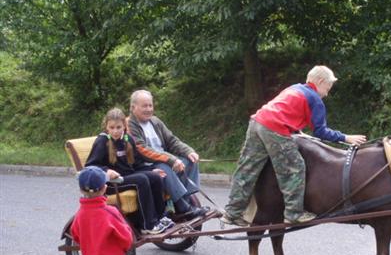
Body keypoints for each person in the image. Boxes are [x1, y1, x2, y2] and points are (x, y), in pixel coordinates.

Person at [222, 65, 367, 226]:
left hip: (257, 122)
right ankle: (294, 214)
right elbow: (320, 131)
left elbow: (283, 111)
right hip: (274, 129)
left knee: (247, 169)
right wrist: (346, 137)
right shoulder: (315, 99)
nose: (327, 93)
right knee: (294, 168)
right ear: (320, 81)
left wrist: (297, 130)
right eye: (328, 88)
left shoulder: (295, 88)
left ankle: (232, 213)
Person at [86, 108, 173, 235]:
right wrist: (107, 171)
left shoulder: (127, 139)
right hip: (112, 183)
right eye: (111, 127)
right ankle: (148, 225)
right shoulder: (102, 141)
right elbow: (91, 166)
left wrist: (151, 170)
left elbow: (137, 164)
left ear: (124, 126)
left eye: (118, 127)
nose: (115, 131)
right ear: (106, 127)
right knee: (141, 180)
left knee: (155, 177)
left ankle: (161, 217)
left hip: (127, 176)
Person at [127, 89, 209, 218]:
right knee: (165, 168)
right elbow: (142, 149)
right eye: (144, 106)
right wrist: (171, 159)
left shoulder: (155, 121)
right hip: (145, 165)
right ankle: (183, 208)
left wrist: (188, 151)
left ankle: (186, 200)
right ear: (133, 108)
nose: (148, 109)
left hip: (163, 159)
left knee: (190, 161)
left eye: (150, 105)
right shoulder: (129, 124)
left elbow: (172, 140)